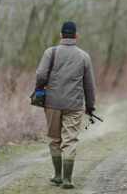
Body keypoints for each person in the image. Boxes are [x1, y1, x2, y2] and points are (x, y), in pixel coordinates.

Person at [35, 21, 96, 189]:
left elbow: (40, 74)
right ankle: (68, 180)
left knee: (55, 139)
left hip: (52, 103)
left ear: (61, 35)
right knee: (70, 141)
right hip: (75, 105)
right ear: (76, 36)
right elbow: (89, 85)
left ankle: (57, 176)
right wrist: (90, 106)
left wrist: (40, 88)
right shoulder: (84, 56)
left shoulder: (50, 52)